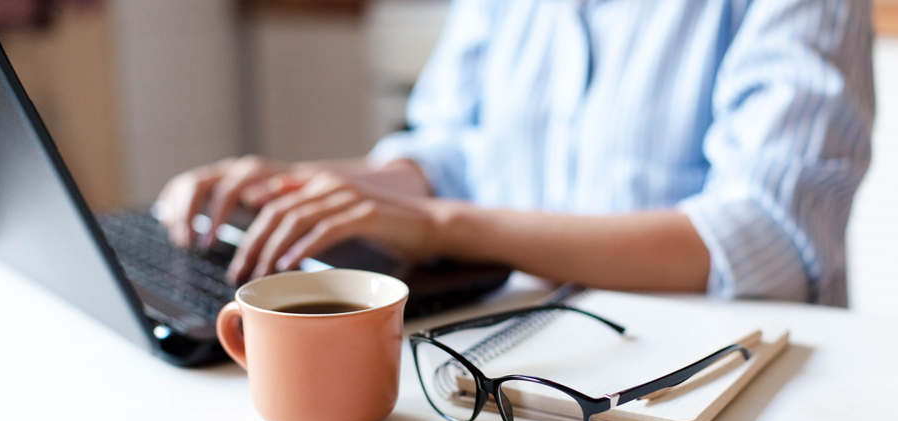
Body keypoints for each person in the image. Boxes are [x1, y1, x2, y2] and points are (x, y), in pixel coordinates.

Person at [157, 0, 875, 307]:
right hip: (520, 366)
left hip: (711, 392)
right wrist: (303, 188)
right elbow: (457, 153)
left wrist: (449, 226)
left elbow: (767, 240)